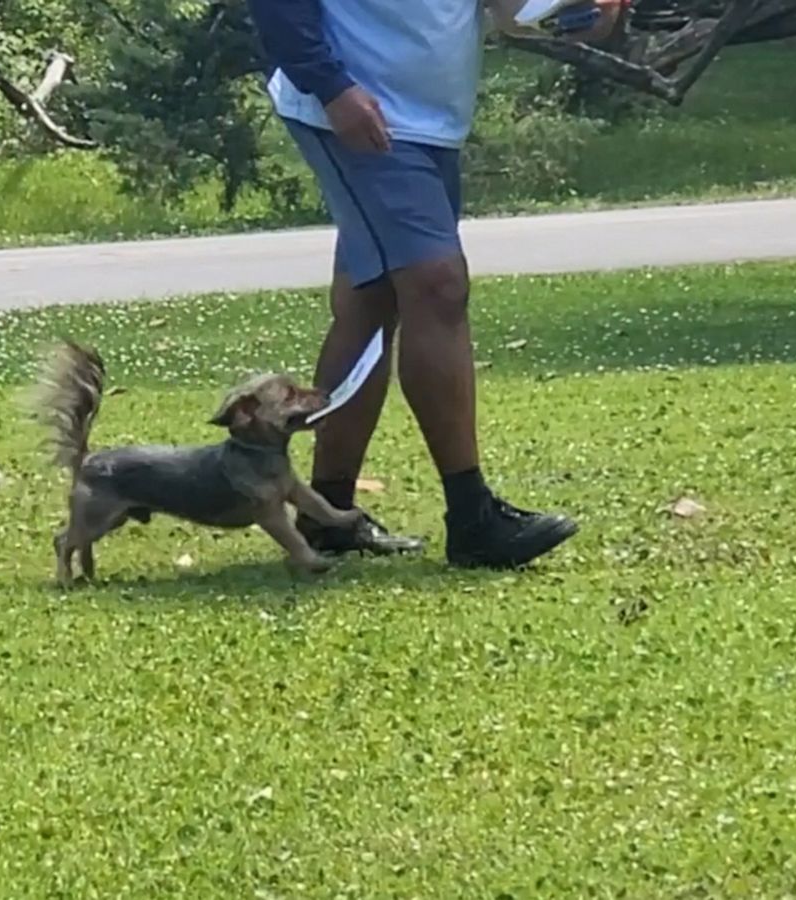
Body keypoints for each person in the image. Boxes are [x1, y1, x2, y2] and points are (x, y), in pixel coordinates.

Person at [247, 0, 613, 569]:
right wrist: (330, 86)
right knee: (437, 285)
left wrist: (581, 9)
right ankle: (473, 518)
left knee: (371, 300)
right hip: (354, 110)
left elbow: (508, 8)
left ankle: (328, 515)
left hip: (431, 120)